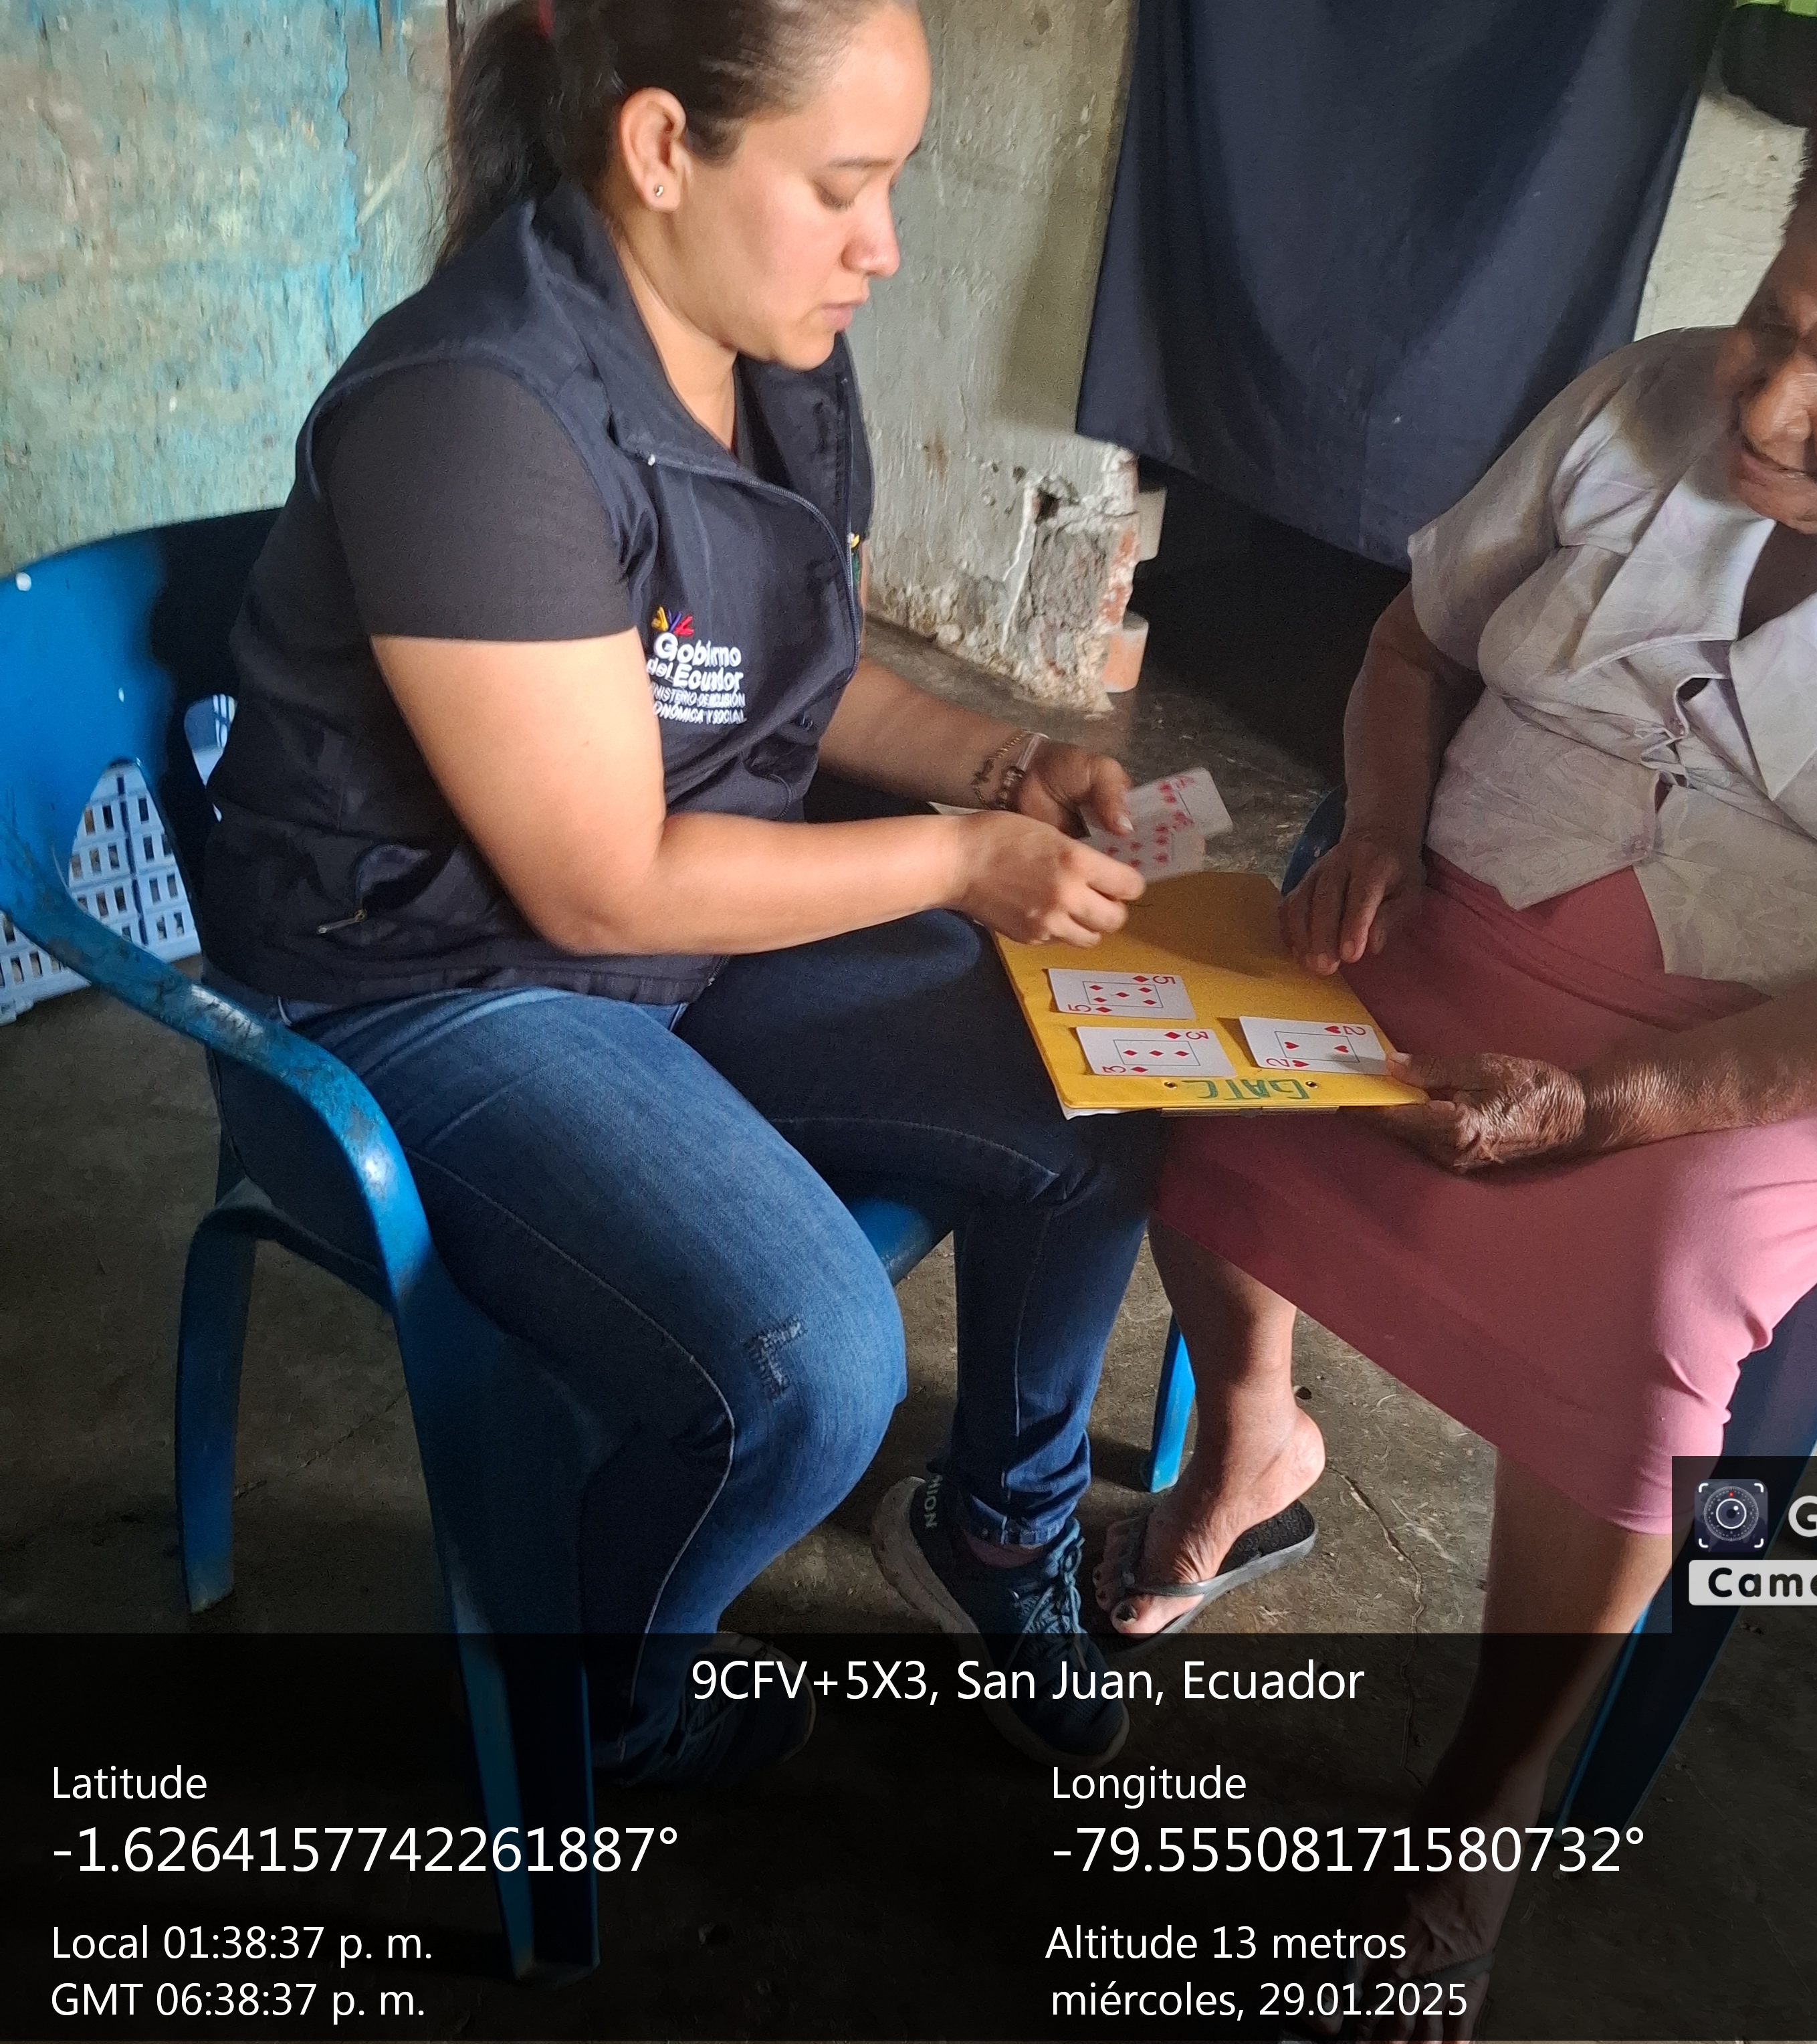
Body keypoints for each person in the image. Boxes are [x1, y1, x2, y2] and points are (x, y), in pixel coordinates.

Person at [1097, 14, 1817, 2029]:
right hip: (1460, 906)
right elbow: (1410, 646)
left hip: (1778, 1042)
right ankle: (1253, 1439)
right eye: (1776, 318)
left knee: (1644, 1310)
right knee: (1201, 1077)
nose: (1765, 400)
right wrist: (1374, 829)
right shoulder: (1638, 401)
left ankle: (1488, 1795)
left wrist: (1621, 1103)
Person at [199, 0, 1164, 1779]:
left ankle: (1001, 1525)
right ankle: (604, 1697)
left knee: (1098, 1092)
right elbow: (599, 884)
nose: (884, 247)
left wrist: (994, 765)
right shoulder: (475, 413)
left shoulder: (767, 345)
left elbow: (780, 671)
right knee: (803, 1367)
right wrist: (965, 864)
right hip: (416, 990)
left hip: (669, 937)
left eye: (893, 186)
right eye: (842, 188)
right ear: (660, 149)